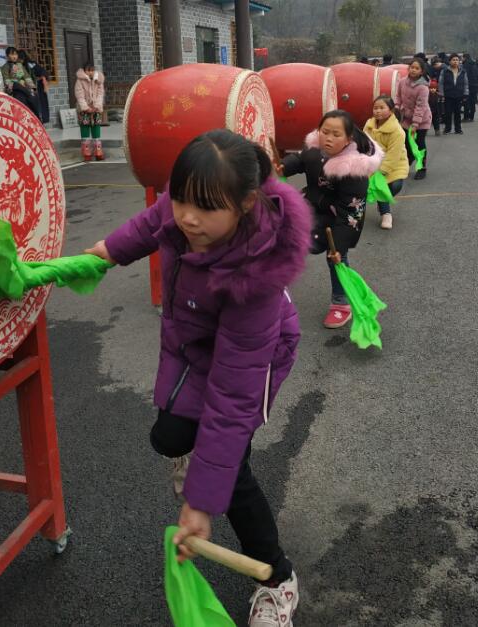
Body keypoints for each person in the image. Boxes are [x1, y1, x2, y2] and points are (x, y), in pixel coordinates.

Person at [86, 130, 310, 626]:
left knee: (231, 480)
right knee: (169, 436)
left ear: (246, 203)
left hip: (250, 357)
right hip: (193, 339)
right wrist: (104, 252)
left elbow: (231, 399)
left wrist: (201, 504)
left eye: (206, 209)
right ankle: (200, 465)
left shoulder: (257, 278)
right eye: (182, 198)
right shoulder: (186, 205)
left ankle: (278, 580)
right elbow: (153, 221)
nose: (188, 217)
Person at [280, 110, 383, 328]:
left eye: (336, 134)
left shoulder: (354, 170)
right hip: (311, 206)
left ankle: (341, 303)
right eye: (324, 131)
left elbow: (352, 213)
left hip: (337, 218)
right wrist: (285, 165)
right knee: (284, 240)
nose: (328, 137)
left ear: (348, 139)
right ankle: (273, 294)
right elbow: (300, 160)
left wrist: (340, 242)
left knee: (335, 257)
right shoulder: (314, 147)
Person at [364, 96, 408, 229]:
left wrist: (382, 171)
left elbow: (393, 155)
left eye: (382, 108)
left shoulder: (397, 131)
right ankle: (386, 214)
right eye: (375, 108)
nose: (377, 111)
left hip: (395, 164)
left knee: (395, 186)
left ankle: (382, 202)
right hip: (374, 163)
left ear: (391, 110)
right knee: (379, 187)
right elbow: (365, 145)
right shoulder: (369, 125)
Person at [394, 57, 432, 180]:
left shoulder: (423, 88)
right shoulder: (402, 82)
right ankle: (405, 165)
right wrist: (396, 108)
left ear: (421, 71)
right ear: (408, 68)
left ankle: (421, 168)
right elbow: (398, 97)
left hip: (421, 121)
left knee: (419, 144)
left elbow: (420, 107)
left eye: (417, 68)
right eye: (412, 67)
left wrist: (415, 124)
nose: (413, 70)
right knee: (406, 144)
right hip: (406, 119)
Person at [74, 62, 106, 161]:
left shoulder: (99, 80)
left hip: (96, 108)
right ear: (84, 71)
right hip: (84, 108)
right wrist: (85, 107)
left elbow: (100, 94)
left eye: (92, 70)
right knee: (85, 126)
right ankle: (86, 150)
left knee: (96, 125)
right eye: (88, 70)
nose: (90, 72)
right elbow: (79, 95)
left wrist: (96, 106)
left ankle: (98, 149)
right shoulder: (79, 81)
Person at [1, 46, 40, 118]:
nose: (14, 56)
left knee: (34, 96)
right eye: (12, 54)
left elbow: (27, 77)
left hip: (23, 88)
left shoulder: (20, 65)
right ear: (7, 56)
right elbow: (6, 79)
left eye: (15, 54)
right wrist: (16, 84)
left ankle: (36, 117)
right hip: (14, 89)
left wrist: (32, 87)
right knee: (21, 95)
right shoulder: (5, 67)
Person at [438, 53, 469, 134]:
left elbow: (466, 83)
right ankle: (447, 128)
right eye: (453, 60)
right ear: (449, 61)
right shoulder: (445, 71)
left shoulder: (463, 71)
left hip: (459, 94)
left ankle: (458, 129)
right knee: (448, 112)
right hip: (448, 95)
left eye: (457, 60)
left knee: (457, 113)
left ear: (459, 62)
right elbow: (441, 83)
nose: (455, 61)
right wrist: (441, 93)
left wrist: (466, 93)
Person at [20, 50, 50, 124]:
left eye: (20, 58)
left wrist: (42, 79)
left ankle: (40, 121)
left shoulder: (31, 64)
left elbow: (43, 71)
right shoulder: (18, 66)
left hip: (37, 87)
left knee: (38, 105)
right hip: (26, 88)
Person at [428, 56, 444, 135]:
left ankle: (437, 130)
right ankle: (425, 131)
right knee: (427, 121)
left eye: (434, 88)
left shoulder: (438, 95)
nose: (432, 90)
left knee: (436, 121)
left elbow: (441, 103)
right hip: (429, 110)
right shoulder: (427, 95)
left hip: (436, 111)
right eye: (431, 88)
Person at [462, 53, 478, 121]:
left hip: (468, 85)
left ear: (465, 58)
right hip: (475, 85)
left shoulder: (466, 65)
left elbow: (465, 75)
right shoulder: (474, 64)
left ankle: (466, 116)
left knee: (466, 101)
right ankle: (471, 116)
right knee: (472, 101)